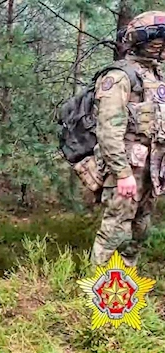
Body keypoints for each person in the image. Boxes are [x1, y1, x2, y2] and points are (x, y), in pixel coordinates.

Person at [91, 11, 165, 267]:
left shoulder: (155, 77)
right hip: (127, 168)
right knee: (114, 231)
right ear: (149, 41)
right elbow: (108, 130)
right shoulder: (120, 77)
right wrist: (122, 174)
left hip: (150, 169)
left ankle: (122, 292)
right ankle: (99, 296)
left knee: (139, 230)